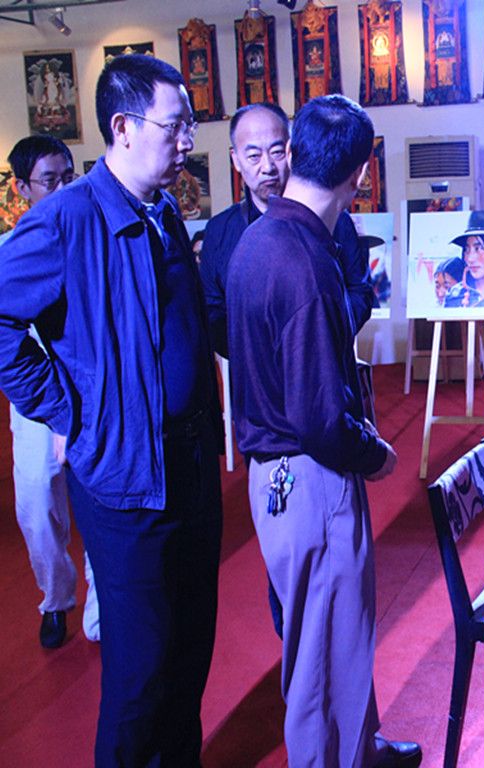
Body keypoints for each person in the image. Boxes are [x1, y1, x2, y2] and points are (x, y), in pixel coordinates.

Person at [0, 54, 223, 766]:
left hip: (190, 465)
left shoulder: (161, 210)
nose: (186, 140)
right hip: (126, 480)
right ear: (123, 127)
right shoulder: (64, 221)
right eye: (174, 125)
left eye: (189, 125)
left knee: (190, 650)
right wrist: (67, 408)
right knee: (140, 671)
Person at [227, 94, 421, 768]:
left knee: (335, 643)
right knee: (321, 655)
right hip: (309, 477)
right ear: (360, 174)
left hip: (281, 477)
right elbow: (317, 418)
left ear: (293, 153)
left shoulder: (263, 239)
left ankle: (358, 749)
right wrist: (374, 454)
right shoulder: (301, 260)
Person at [2, 135, 98, 649]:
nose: (62, 189)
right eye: (48, 181)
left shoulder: (87, 236)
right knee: (38, 504)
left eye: (68, 177)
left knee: (101, 498)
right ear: (22, 188)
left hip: (90, 390)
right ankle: (57, 598)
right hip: (37, 400)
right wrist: (49, 403)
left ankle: (103, 606)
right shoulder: (8, 251)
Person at [200, 101, 373, 359]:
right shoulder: (220, 230)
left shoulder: (336, 219)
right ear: (236, 160)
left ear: (291, 151)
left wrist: (320, 335)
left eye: (277, 152)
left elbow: (360, 292)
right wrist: (260, 349)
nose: (268, 167)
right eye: (254, 156)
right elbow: (212, 310)